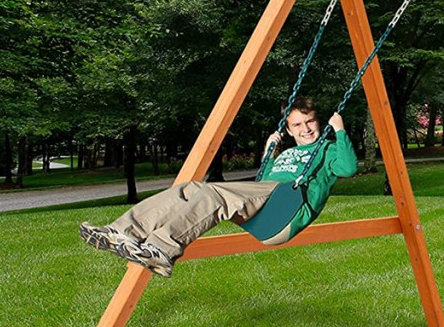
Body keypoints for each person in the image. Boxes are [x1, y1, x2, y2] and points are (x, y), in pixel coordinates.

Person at [79, 97, 358, 278]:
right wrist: (268, 153)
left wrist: (340, 130)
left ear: (319, 122)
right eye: (298, 124)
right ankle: (123, 231)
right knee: (192, 189)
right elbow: (260, 187)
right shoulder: (283, 155)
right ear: (288, 129)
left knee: (212, 193)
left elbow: (348, 169)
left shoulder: (329, 149)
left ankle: (161, 250)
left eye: (310, 121)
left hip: (288, 209)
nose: (306, 128)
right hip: (266, 209)